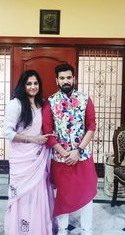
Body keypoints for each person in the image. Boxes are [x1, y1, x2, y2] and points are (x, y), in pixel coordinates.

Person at [42, 63, 97, 235]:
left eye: (68, 77)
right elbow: (47, 132)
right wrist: (65, 153)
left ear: (74, 78)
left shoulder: (85, 99)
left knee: (87, 192)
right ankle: (63, 229)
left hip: (82, 155)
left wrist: (78, 151)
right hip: (61, 158)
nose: (66, 81)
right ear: (56, 80)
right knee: (63, 194)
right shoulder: (50, 102)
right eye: (62, 78)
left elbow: (91, 126)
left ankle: (87, 230)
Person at [3, 69, 54, 235]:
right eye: (29, 83)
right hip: (22, 158)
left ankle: (37, 229)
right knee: (23, 195)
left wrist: (49, 135)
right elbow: (8, 133)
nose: (33, 87)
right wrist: (33, 140)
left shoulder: (42, 104)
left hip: (38, 157)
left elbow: (42, 128)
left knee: (38, 192)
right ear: (23, 85)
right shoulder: (16, 104)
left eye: (36, 83)